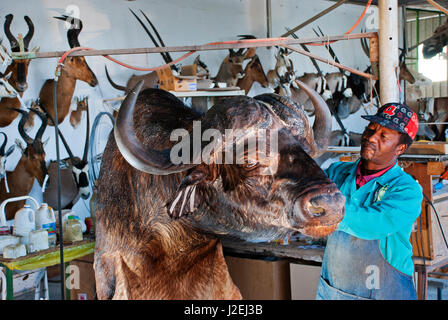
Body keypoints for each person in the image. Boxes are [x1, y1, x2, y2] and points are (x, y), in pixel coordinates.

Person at [316, 102, 423, 300]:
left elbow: (374, 223)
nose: (371, 137)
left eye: (383, 136)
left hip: (385, 292)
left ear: (400, 148)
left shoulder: (407, 190)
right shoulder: (337, 173)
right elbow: (304, 189)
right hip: (333, 291)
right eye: (371, 129)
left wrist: (324, 207)